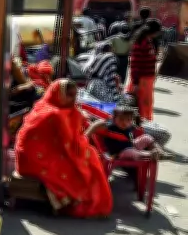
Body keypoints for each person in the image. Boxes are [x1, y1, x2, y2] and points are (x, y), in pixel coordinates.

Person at [15, 79, 113, 218]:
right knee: (90, 157)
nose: (73, 99)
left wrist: (83, 119)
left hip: (37, 153)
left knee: (88, 154)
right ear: (59, 95)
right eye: (69, 95)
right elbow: (74, 148)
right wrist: (92, 129)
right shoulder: (55, 114)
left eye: (75, 95)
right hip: (33, 160)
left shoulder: (46, 104)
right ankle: (80, 201)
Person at [85, 106, 173, 162]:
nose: (125, 122)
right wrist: (86, 135)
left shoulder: (130, 125)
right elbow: (97, 124)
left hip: (131, 145)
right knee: (132, 152)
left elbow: (137, 124)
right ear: (114, 118)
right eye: (121, 119)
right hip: (118, 153)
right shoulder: (111, 125)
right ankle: (151, 155)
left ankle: (159, 151)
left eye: (128, 120)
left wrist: (138, 121)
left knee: (147, 137)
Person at [127, 19, 161, 121]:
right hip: (142, 80)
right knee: (142, 105)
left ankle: (145, 124)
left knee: (146, 104)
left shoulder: (148, 41)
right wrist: (136, 83)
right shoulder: (142, 43)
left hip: (147, 80)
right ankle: (142, 125)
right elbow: (135, 64)